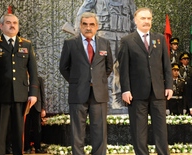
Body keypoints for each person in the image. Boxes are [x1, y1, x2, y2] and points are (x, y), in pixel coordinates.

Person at [0, 13, 38, 155]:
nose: (12, 25)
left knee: (19, 132)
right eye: (8, 22)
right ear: (1, 26)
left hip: (21, 95)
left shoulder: (27, 45)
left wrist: (33, 94)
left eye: (15, 23)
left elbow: (33, 72)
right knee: (0, 132)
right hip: (0, 95)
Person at [118, 7, 173, 155]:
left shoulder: (160, 39)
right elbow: (123, 69)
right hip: (136, 95)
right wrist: (125, 90)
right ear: (136, 21)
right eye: (143, 18)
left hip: (158, 93)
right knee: (139, 132)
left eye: (149, 18)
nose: (146, 21)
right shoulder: (127, 41)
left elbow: (166, 65)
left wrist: (169, 86)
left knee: (161, 130)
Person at [59, 12, 113, 155]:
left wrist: (97, 81)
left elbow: (109, 67)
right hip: (78, 93)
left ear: (97, 26)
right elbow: (63, 68)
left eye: (91, 24)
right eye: (85, 24)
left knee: (100, 131)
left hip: (99, 94)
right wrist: (77, 82)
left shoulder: (104, 43)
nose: (88, 28)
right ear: (80, 26)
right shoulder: (70, 44)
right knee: (77, 131)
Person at [75, 0, 136, 113]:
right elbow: (83, 10)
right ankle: (106, 101)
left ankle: (117, 101)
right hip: (105, 37)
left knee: (122, 69)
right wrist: (79, 31)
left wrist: (136, 37)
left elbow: (134, 19)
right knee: (104, 69)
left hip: (125, 37)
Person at [24, 76, 46, 154]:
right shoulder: (22, 77)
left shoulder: (38, 79)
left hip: (37, 106)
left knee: (37, 128)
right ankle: (27, 148)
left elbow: (42, 93)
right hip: (26, 106)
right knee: (26, 128)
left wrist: (43, 108)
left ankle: (38, 148)